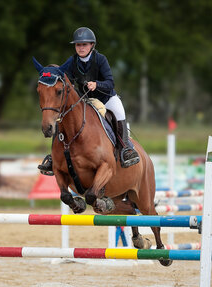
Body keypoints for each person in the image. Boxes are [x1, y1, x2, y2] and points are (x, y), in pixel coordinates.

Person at [38, 26, 140, 176]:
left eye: (84, 44)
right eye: (78, 45)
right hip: (85, 100)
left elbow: (111, 83)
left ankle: (126, 148)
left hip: (106, 98)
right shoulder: (72, 62)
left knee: (119, 111)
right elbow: (65, 80)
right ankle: (54, 157)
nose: (81, 48)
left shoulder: (100, 59)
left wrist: (97, 84)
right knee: (61, 118)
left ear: (92, 45)